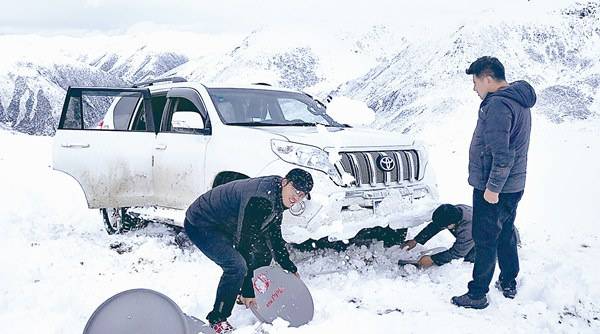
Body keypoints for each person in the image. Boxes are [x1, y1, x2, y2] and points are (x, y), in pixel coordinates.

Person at [451, 56, 536, 309]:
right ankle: (508, 281)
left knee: (485, 238)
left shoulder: (498, 105)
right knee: (506, 232)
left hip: (494, 187)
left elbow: (502, 154)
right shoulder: (519, 101)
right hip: (514, 184)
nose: (474, 88)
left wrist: (491, 189)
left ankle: (477, 294)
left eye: (475, 82)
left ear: (487, 78)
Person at [184, 168, 313, 333]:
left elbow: (273, 234)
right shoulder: (260, 198)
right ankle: (218, 318)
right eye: (295, 190)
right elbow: (244, 243)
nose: (296, 197)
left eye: (302, 194)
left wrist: (288, 266)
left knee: (263, 253)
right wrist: (248, 288)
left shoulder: (278, 194)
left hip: (225, 222)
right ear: (285, 182)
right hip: (202, 223)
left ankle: (241, 294)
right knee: (236, 266)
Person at [401, 204, 474, 268]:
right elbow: (435, 226)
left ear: (452, 224)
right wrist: (416, 240)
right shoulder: (453, 211)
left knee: (469, 258)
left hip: (483, 238)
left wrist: (433, 259)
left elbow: (457, 253)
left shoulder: (468, 230)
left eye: (445, 227)